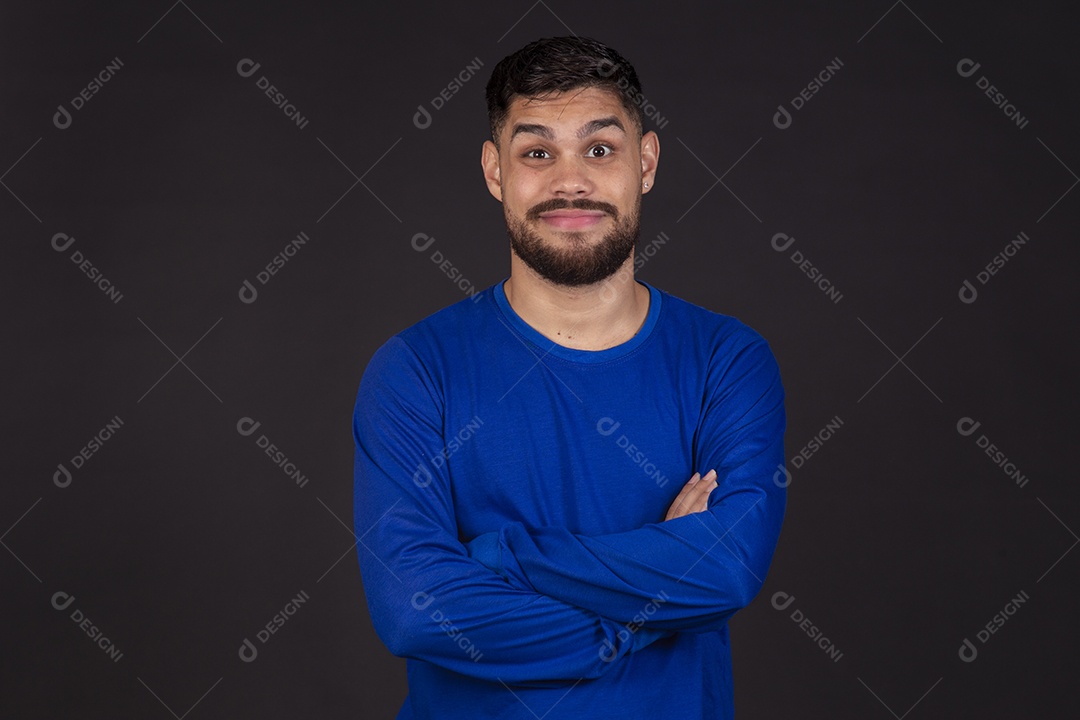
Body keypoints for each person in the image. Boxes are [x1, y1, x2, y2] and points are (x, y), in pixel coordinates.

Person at [353, 35, 786, 719]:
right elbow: (417, 610)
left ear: (644, 163)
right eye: (537, 153)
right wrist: (639, 614)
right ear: (496, 172)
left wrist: (501, 558)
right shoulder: (415, 371)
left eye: (600, 149)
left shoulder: (726, 360)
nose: (570, 182)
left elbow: (726, 568)